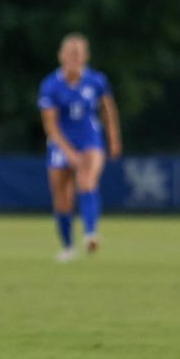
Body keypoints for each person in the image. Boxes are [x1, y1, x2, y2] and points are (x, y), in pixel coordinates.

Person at [38, 32, 122, 260]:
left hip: (89, 139)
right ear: (61, 56)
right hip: (61, 142)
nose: (74, 57)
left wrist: (113, 138)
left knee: (86, 181)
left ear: (86, 56)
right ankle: (68, 247)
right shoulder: (50, 85)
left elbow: (108, 109)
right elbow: (51, 126)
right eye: (70, 53)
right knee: (62, 197)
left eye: (79, 53)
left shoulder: (96, 81)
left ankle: (90, 233)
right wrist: (68, 152)